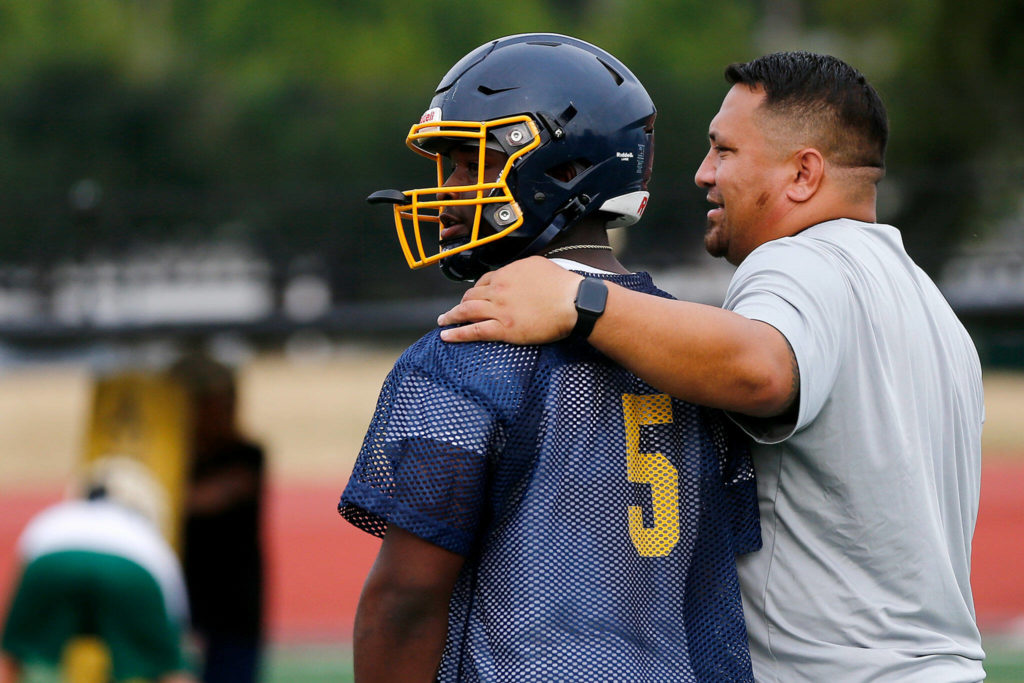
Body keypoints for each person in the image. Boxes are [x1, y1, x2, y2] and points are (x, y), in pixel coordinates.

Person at [437, 50, 986, 681]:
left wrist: (578, 300)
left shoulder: (799, 262)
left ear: (803, 174)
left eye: (724, 151)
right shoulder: (926, 301)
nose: (703, 174)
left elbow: (762, 370)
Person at [340, 33, 761, 682]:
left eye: (467, 162)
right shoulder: (696, 347)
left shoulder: (466, 352)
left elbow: (404, 599)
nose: (448, 190)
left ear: (563, 169)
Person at [0, 456, 195, 683]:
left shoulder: (55, 519)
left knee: (17, 654)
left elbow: (24, 569)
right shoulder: (150, 541)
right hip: (134, 571)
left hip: (50, 560)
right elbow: (175, 616)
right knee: (168, 665)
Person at [170, 354, 265, 683]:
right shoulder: (174, 459)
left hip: (233, 603)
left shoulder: (246, 456)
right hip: (185, 597)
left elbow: (209, 498)